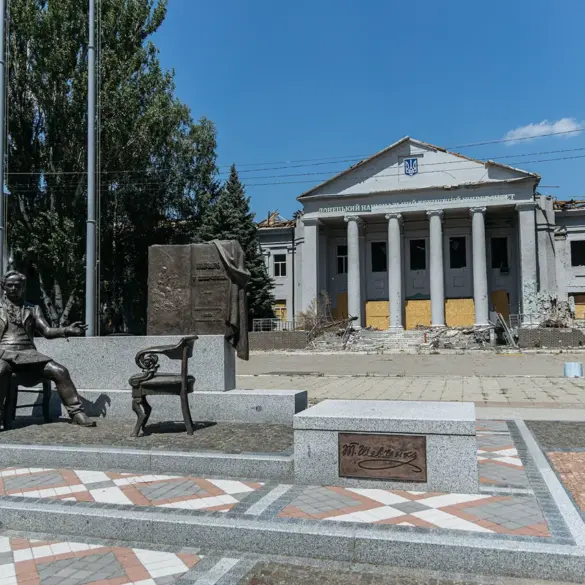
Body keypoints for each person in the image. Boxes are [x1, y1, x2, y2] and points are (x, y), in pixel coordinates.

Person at [0, 270, 96, 427]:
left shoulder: (33, 309)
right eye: (9, 285)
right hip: (3, 354)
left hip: (29, 355)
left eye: (17, 285)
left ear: (23, 287)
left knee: (60, 371)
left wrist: (66, 330)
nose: (13, 288)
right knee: (0, 370)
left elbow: (47, 331)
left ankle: (77, 413)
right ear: (3, 286)